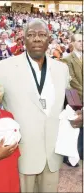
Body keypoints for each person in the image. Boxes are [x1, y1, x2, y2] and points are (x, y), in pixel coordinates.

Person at [0, 19, 81, 192]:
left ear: (49, 39)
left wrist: (79, 113)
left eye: (42, 35)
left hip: (53, 152)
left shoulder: (62, 68)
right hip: (21, 151)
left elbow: (70, 98)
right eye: (31, 35)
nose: (37, 39)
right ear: (23, 39)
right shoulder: (5, 67)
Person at [61, 33, 83, 164]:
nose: (82, 43)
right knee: (72, 127)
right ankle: (69, 157)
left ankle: (81, 152)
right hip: (73, 96)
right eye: (79, 41)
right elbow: (72, 80)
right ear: (73, 43)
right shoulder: (67, 59)